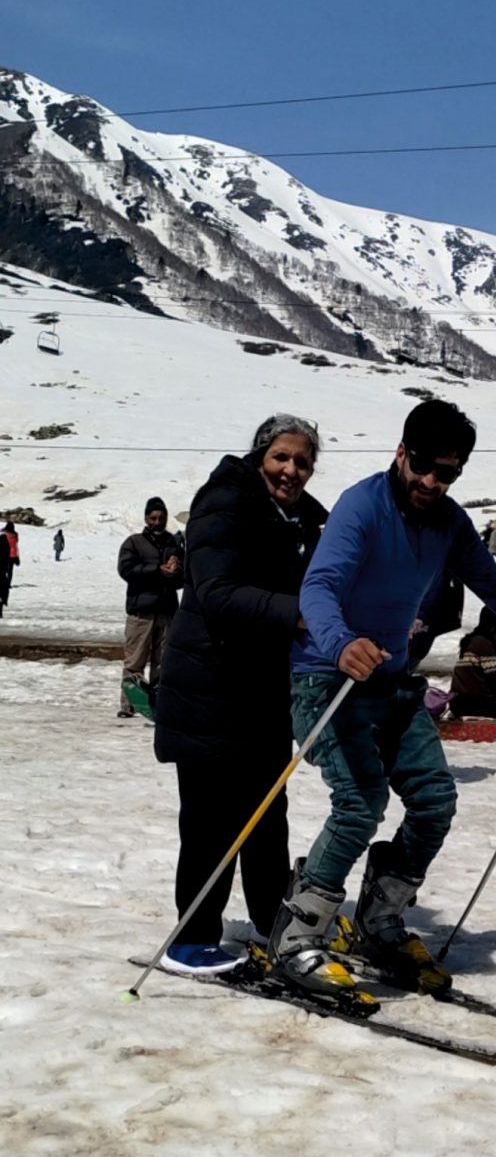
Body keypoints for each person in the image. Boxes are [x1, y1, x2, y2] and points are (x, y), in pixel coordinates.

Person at [270, 399, 496, 1000]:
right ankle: (298, 933)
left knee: (435, 801)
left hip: (392, 684)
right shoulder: (362, 506)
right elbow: (319, 587)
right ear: (401, 453)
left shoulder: (449, 523)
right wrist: (341, 643)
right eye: (425, 467)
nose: (434, 483)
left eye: (449, 473)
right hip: (326, 679)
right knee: (360, 803)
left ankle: (379, 920)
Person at [153, 414, 326, 977]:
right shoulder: (224, 501)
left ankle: (269, 918)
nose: (291, 470)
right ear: (259, 456)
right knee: (211, 819)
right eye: (282, 457)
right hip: (209, 684)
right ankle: (191, 937)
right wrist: (300, 612)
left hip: (261, 687)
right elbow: (217, 591)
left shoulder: (304, 516)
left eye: (303, 462)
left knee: (266, 813)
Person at [116, 498, 183, 718]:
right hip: (141, 613)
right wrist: (157, 569)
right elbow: (126, 570)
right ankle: (128, 705)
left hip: (166, 612)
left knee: (163, 663)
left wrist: (176, 571)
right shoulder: (134, 543)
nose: (157, 522)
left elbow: (184, 578)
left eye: (161, 518)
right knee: (134, 661)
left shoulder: (174, 544)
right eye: (153, 518)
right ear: (146, 519)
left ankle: (159, 705)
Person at [0, 521, 18, 618]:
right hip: (10, 557)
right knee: (9, 573)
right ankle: (3, 602)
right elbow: (15, 545)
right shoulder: (14, 535)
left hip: (6, 559)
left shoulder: (3, 534)